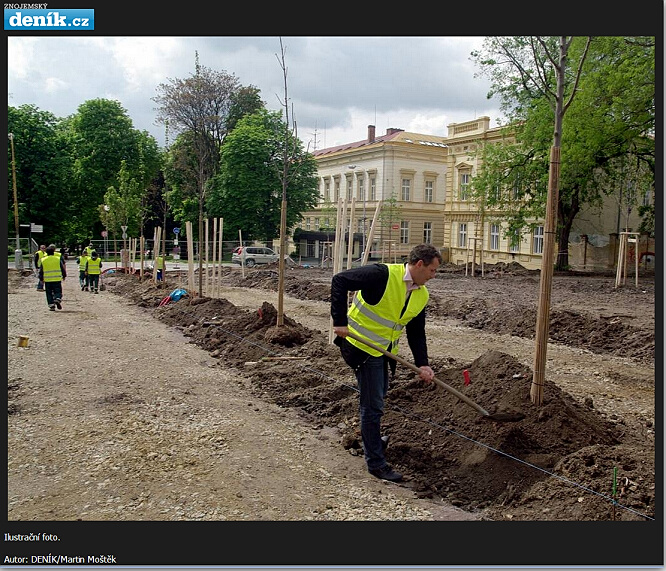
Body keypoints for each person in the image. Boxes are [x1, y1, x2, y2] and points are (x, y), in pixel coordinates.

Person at [330, 243, 442, 482]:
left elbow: (416, 332)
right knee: (373, 405)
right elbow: (339, 280)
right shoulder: (382, 274)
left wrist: (423, 364)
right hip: (360, 347)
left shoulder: (420, 294)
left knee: (378, 396)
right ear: (420, 264)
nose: (434, 276)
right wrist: (339, 321)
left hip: (383, 351)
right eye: (432, 270)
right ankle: (376, 463)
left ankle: (372, 439)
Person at [39, 244, 67, 311]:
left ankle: (51, 305)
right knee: (58, 290)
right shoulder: (57, 259)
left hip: (47, 279)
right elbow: (62, 268)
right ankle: (57, 298)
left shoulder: (43, 260)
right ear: (53, 252)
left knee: (49, 292)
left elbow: (41, 270)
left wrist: (41, 279)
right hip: (57, 278)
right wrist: (64, 275)